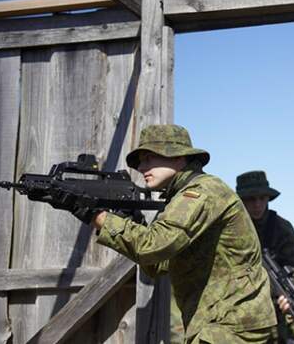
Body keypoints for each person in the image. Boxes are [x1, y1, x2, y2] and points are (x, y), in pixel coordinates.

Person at [89, 124, 277, 344]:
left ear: (178, 158)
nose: (141, 167)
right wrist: (132, 221)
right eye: (140, 161)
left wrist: (99, 217)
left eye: (149, 158)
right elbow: (157, 265)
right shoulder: (180, 199)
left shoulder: (202, 192)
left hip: (231, 324)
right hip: (219, 323)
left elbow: (150, 246)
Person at [236, 170, 294, 343]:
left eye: (262, 198)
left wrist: (292, 293)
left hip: (275, 316)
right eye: (251, 199)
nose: (258, 204)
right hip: (237, 315)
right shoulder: (230, 227)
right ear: (241, 200)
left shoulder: (281, 228)